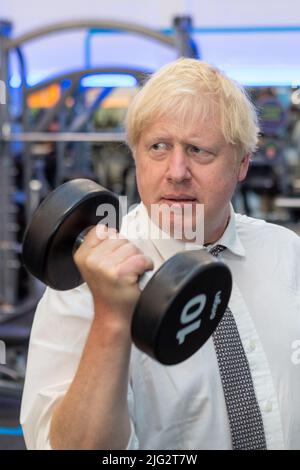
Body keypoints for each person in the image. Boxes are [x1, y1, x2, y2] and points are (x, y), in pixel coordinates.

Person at [20, 58, 300, 450]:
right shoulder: (88, 285)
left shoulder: (288, 254)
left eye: (199, 150)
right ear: (136, 156)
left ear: (242, 164)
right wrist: (112, 319)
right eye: (158, 147)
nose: (177, 171)